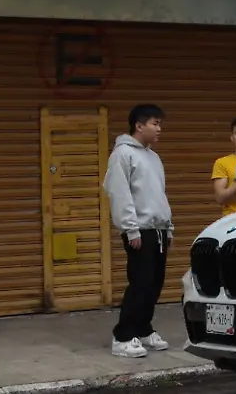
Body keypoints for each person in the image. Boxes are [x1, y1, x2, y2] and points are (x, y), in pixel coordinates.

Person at [103, 104, 174, 359]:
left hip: (158, 230)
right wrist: (130, 229)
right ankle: (122, 337)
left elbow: (159, 194)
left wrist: (168, 226)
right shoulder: (123, 154)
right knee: (140, 283)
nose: (159, 129)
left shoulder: (153, 157)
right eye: (155, 123)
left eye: (160, 124)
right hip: (139, 230)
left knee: (154, 284)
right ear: (139, 125)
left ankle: (143, 329)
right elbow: (118, 193)